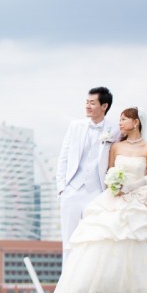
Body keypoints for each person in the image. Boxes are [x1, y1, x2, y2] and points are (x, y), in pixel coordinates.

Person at [48, 107, 147, 293]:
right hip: (114, 198)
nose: (120, 123)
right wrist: (114, 185)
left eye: (124, 119)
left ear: (136, 122)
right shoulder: (116, 147)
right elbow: (108, 171)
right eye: (120, 119)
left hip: (138, 199)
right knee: (104, 242)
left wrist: (130, 187)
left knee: (137, 243)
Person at [56, 86, 120, 263]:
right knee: (68, 242)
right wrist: (62, 189)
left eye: (92, 103)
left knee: (95, 241)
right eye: (87, 102)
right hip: (72, 191)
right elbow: (63, 157)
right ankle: (66, 287)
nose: (88, 106)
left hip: (97, 193)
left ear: (104, 106)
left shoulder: (115, 130)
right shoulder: (75, 126)